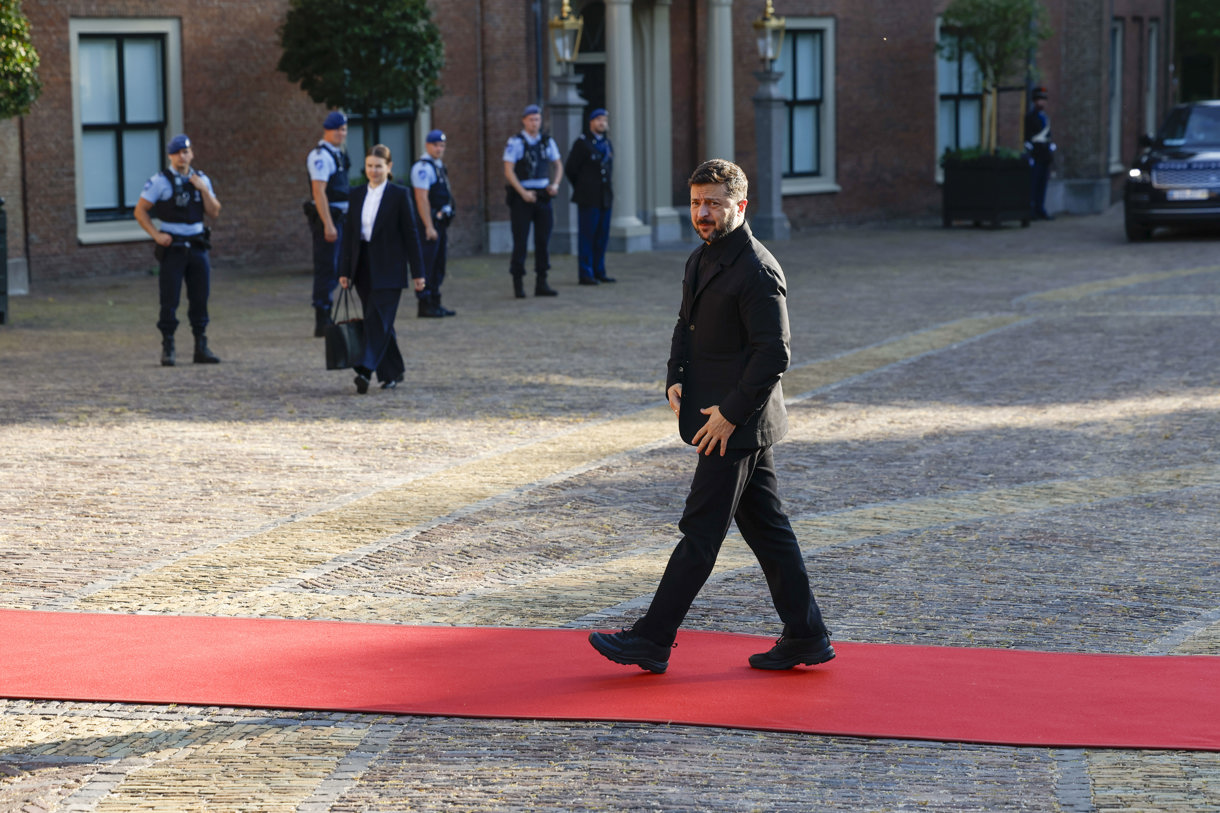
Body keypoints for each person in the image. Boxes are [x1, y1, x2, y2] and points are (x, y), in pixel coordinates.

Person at [589, 159, 833, 674]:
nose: (702, 212)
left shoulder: (758, 269)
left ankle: (652, 640)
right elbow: (687, 325)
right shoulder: (701, 258)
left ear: (740, 206)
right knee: (768, 529)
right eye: (697, 202)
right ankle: (807, 634)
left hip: (736, 425)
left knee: (700, 532)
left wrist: (728, 415)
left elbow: (775, 354)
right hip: (718, 416)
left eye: (714, 203)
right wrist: (675, 373)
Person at [338, 144, 426, 393]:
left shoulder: (399, 195)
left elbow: (411, 235)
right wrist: (344, 270)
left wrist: (418, 273)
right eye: (369, 166)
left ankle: (365, 369)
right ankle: (393, 371)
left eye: (378, 166)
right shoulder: (355, 194)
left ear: (389, 167)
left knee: (378, 319)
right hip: (363, 267)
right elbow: (350, 235)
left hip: (390, 267)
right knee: (379, 320)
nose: (373, 170)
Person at [134, 133, 222, 367]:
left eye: (185, 152)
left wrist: (203, 189)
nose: (182, 157)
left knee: (200, 297)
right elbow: (140, 210)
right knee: (169, 297)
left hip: (197, 244)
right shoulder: (160, 181)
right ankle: (168, 345)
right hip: (173, 247)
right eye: (177, 153)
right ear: (170, 156)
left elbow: (214, 212)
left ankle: (200, 345)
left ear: (192, 153)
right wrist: (156, 235)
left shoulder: (201, 179)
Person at [503, 104, 562, 298]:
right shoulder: (516, 142)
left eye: (537, 119)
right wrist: (522, 192)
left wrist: (555, 184)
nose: (534, 123)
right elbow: (508, 170)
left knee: (543, 240)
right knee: (520, 241)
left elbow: (558, 164)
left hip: (543, 194)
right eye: (531, 119)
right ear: (524, 121)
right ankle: (518, 282)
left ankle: (542, 281)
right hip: (523, 196)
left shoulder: (547, 142)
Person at [306, 111, 351, 336]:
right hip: (329, 218)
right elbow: (318, 191)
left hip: (341, 217)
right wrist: (328, 223)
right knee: (327, 267)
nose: (341, 134)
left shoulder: (338, 154)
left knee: (337, 267)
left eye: (344, 129)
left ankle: (328, 314)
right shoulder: (321, 156)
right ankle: (322, 317)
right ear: (327, 130)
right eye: (338, 129)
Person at [564, 108, 615, 286]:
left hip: (604, 197)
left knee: (602, 236)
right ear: (591, 122)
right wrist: (583, 186)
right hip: (588, 198)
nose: (602, 122)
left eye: (604, 120)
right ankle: (586, 273)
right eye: (598, 119)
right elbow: (570, 169)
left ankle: (599, 271)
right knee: (587, 236)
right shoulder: (582, 143)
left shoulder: (607, 143)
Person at [410, 129, 456, 318]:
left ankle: (435, 301)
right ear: (428, 145)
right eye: (436, 145)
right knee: (427, 263)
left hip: (440, 223)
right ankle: (425, 303)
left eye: (442, 145)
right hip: (429, 224)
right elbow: (422, 199)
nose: (439, 149)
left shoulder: (438, 166)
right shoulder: (423, 167)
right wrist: (428, 226)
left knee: (438, 264)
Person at [1025, 86, 1056, 221]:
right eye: (1039, 100)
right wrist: (1029, 151)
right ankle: (1031, 210)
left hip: (1045, 154)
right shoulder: (1030, 117)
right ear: (1034, 101)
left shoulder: (1045, 118)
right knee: (1034, 183)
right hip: (1035, 154)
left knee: (1043, 183)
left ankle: (1040, 208)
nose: (1041, 103)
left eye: (1043, 100)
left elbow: (1048, 135)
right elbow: (1027, 136)